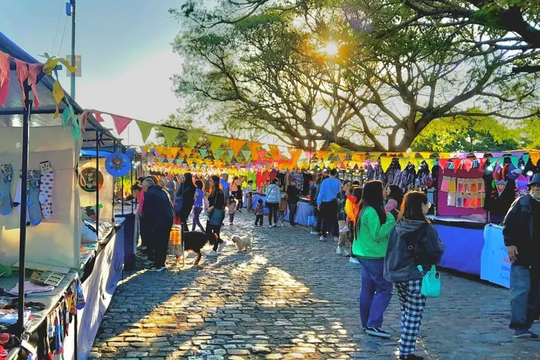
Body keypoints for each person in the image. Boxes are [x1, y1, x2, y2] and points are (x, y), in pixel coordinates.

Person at [384, 191, 445, 360]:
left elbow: (390, 252)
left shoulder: (398, 226)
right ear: (421, 206)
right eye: (426, 204)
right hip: (416, 276)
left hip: (399, 276)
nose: (428, 207)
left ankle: (406, 347)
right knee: (414, 315)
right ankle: (406, 352)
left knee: (407, 311)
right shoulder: (425, 228)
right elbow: (435, 252)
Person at [352, 180, 396, 338]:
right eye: (384, 189)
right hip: (374, 254)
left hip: (364, 253)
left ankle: (367, 323)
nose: (386, 191)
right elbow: (377, 234)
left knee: (368, 289)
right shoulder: (371, 212)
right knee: (385, 289)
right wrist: (390, 219)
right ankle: (373, 324)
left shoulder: (364, 210)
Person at [503, 172, 540, 340]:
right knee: (521, 291)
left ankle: (526, 324)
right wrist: (510, 243)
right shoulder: (522, 204)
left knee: (535, 293)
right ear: (531, 188)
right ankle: (519, 326)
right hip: (522, 255)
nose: (537, 189)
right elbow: (508, 224)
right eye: (535, 186)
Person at [141, 178, 174, 272]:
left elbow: (147, 210)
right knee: (163, 242)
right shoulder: (162, 191)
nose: (143, 189)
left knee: (157, 243)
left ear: (146, 186)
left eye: (143, 187)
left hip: (159, 221)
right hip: (167, 219)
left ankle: (158, 264)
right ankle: (161, 263)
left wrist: (146, 223)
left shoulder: (150, 193)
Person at [317, 169, 341, 241]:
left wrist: (319, 203)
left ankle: (323, 235)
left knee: (325, 219)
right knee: (335, 219)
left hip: (326, 202)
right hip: (334, 202)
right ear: (336, 174)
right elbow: (339, 193)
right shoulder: (338, 182)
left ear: (329, 173)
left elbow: (321, 193)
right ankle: (336, 235)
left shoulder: (325, 181)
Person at [206, 175, 227, 256]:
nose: (209, 182)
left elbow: (219, 202)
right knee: (210, 230)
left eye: (211, 181)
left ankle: (215, 249)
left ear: (215, 182)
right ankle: (220, 242)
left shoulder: (219, 191)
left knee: (215, 231)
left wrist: (212, 207)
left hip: (217, 213)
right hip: (212, 212)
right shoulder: (214, 190)